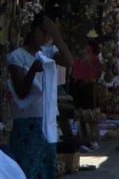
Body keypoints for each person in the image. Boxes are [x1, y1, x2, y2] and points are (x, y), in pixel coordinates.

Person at [7, 13, 73, 179]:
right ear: (33, 29)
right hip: (26, 122)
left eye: (48, 33)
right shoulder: (16, 56)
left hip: (47, 121)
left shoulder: (48, 53)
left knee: (46, 169)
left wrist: (56, 34)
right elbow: (22, 92)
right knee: (26, 168)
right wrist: (32, 71)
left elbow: (69, 61)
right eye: (42, 31)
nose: (45, 36)